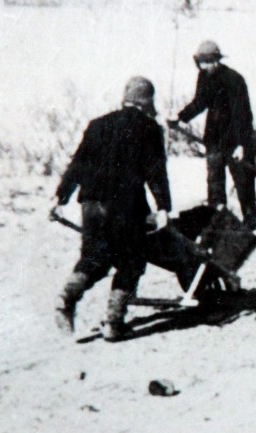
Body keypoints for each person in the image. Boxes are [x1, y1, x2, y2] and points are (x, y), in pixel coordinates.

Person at [51, 76, 172, 342]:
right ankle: (114, 321)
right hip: (124, 205)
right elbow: (155, 171)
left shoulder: (97, 125)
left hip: (91, 203)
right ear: (147, 101)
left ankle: (66, 299)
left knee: (94, 258)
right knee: (132, 261)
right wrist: (163, 207)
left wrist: (60, 198)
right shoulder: (150, 128)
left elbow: (78, 164)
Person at [169, 40, 256, 226]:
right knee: (215, 182)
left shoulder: (235, 79)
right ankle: (219, 222)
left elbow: (243, 114)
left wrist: (242, 144)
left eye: (209, 62)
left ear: (217, 60)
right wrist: (180, 117)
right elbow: (199, 102)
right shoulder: (203, 77)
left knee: (243, 181)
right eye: (202, 63)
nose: (205, 66)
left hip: (235, 139)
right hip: (214, 139)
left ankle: (250, 221)